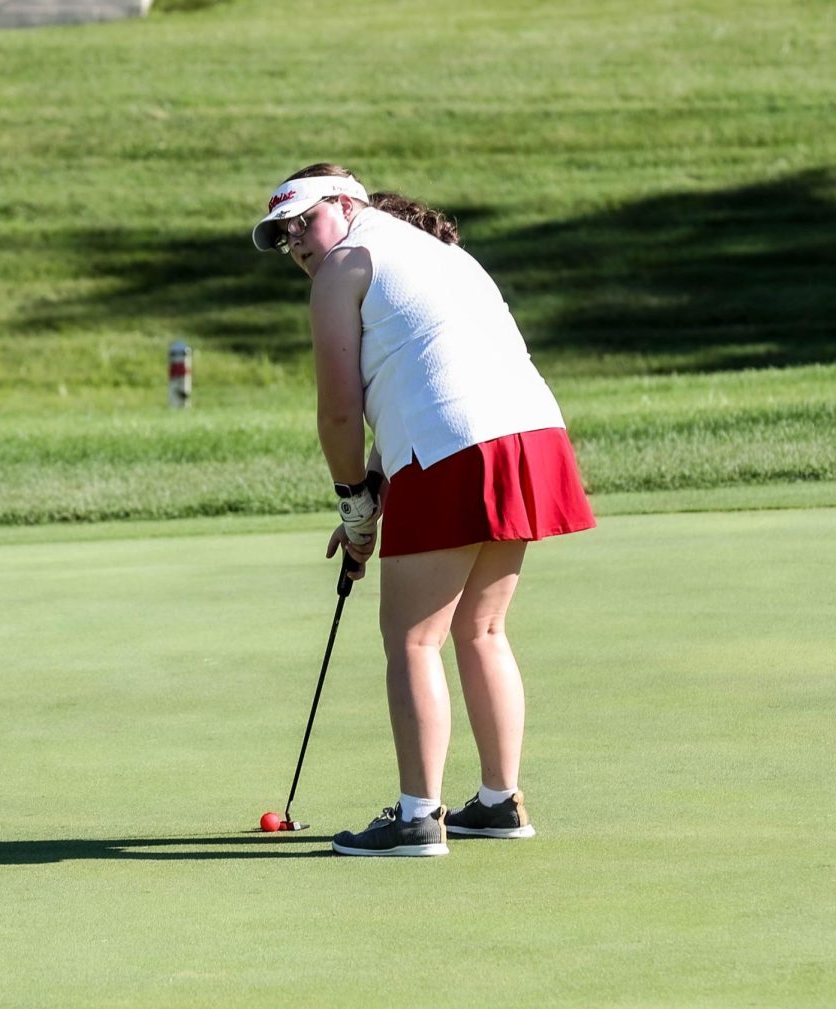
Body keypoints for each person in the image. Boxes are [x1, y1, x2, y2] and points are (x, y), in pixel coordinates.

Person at [252, 164, 596, 857]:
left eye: (306, 220)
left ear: (348, 204)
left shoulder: (343, 268)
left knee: (413, 637)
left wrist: (354, 505)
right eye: (285, 237)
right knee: (482, 626)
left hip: (459, 446)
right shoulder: (443, 255)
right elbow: (417, 380)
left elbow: (340, 412)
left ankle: (416, 816)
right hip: (530, 436)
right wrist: (373, 491)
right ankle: (499, 802)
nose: (298, 242)